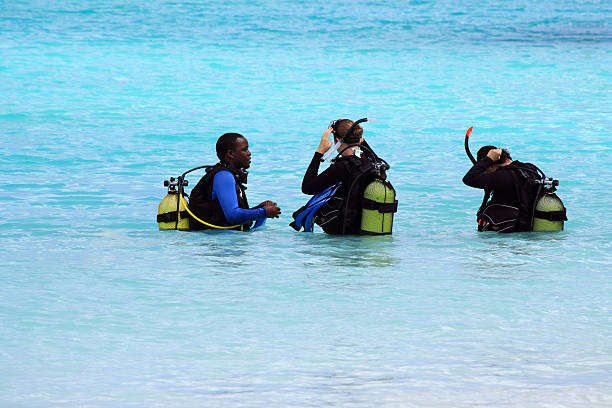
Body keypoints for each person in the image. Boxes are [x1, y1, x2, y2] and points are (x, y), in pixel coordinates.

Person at [293, 119, 397, 235]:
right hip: (366, 228)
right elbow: (374, 157)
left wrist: (319, 152)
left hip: (343, 233)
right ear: (360, 139)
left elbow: (307, 187)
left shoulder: (341, 167)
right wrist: (359, 139)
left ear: (337, 140)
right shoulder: (371, 163)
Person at [188, 133, 281, 231]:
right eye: (244, 150)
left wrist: (259, 209)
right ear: (230, 154)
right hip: (219, 238)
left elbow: (225, 215)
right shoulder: (224, 176)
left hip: (218, 236)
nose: (249, 153)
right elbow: (232, 216)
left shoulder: (227, 174)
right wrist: (263, 212)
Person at [462, 145, 566, 232]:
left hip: (507, 236)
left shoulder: (503, 176)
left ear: (491, 165)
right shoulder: (529, 169)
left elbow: (469, 179)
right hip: (527, 229)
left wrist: (488, 159)